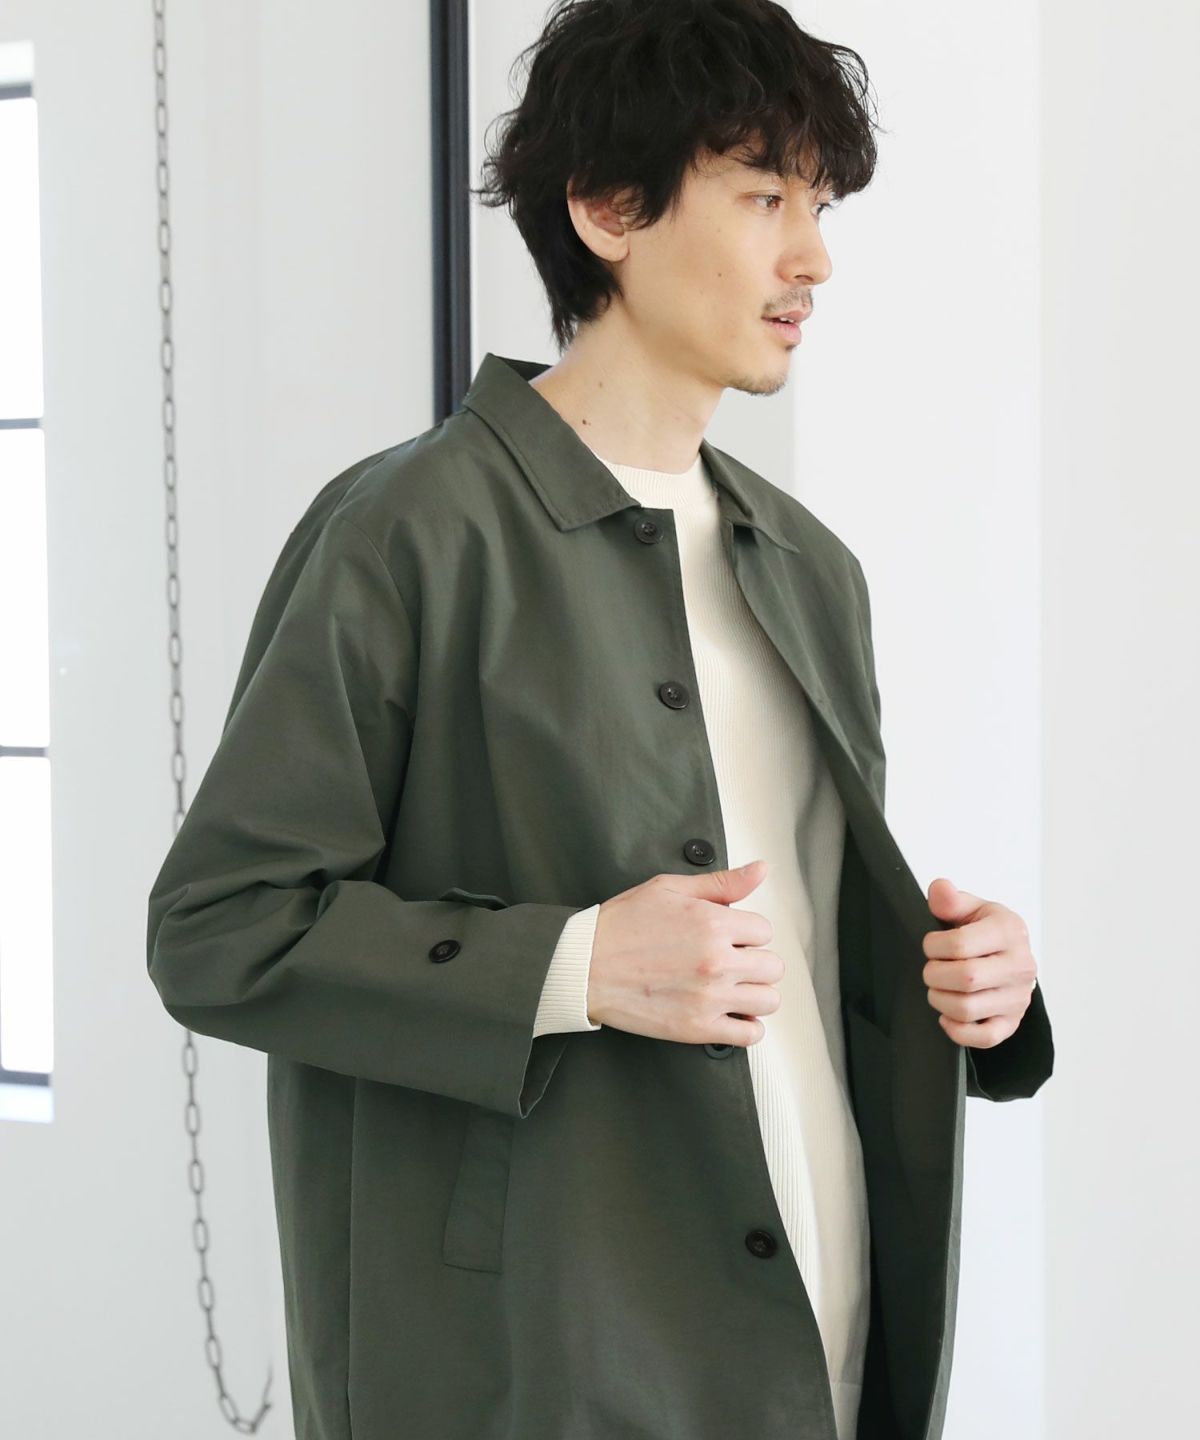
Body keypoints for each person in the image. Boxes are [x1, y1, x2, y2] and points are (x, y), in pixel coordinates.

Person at [147, 3, 1053, 1438]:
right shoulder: (406, 534)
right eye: (763, 197)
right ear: (608, 208)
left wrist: (971, 986)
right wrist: (574, 966)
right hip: (542, 1356)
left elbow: (804, 942)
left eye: (819, 206)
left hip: (820, 1319)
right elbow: (220, 932)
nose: (813, 257)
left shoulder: (810, 568)